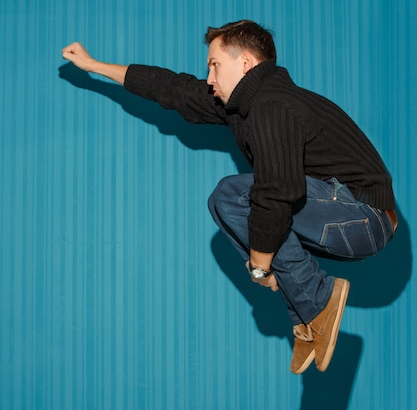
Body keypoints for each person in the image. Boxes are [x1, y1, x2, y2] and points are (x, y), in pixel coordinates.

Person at [62, 20, 397, 374]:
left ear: (246, 63)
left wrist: (259, 266)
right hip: (341, 216)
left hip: (363, 217)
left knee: (238, 195)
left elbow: (278, 193)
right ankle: (309, 307)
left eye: (214, 65)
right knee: (224, 202)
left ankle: (316, 301)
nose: (209, 77)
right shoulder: (246, 107)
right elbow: (173, 89)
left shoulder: (274, 106)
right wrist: (95, 65)